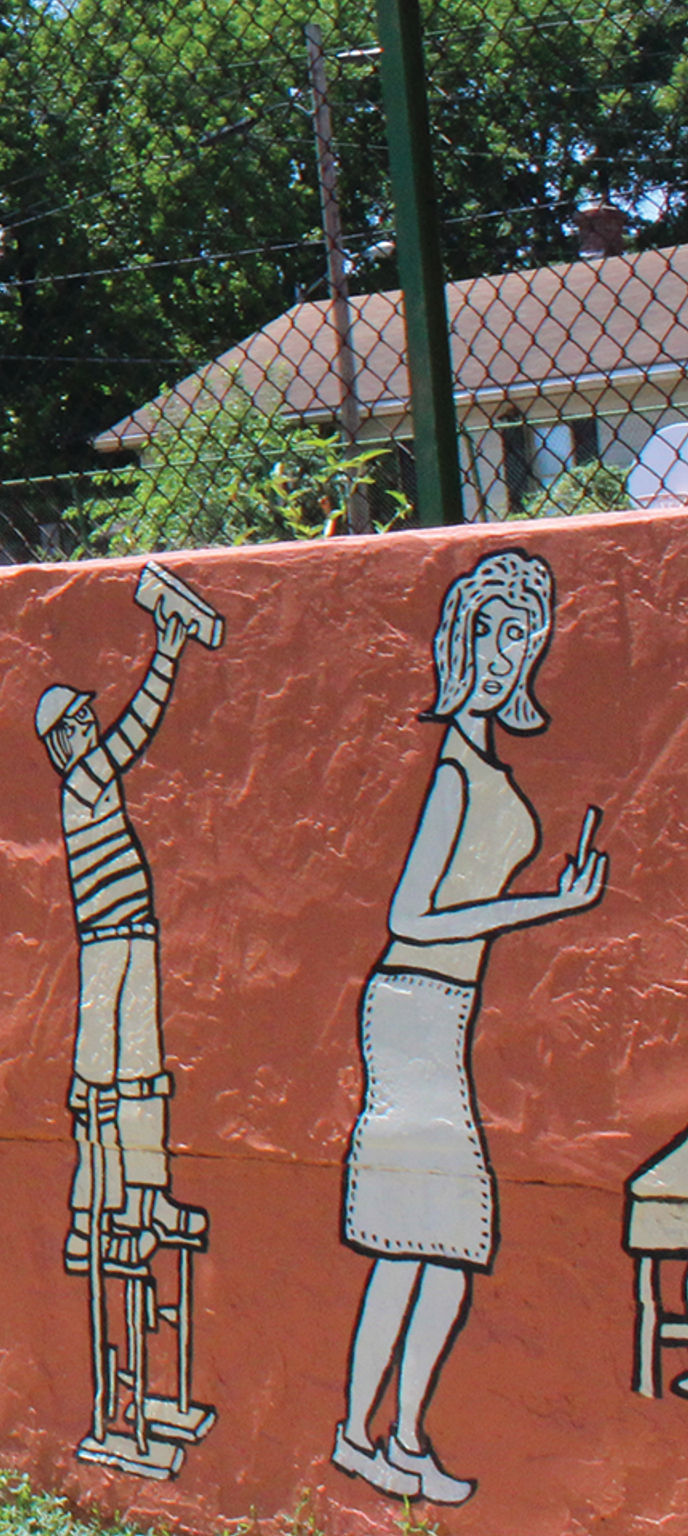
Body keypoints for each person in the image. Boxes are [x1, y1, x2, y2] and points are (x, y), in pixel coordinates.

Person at [332, 548, 604, 1510]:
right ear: (459, 638)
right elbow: (413, 915)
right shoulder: (454, 766)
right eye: (490, 630)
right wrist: (541, 908)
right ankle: (359, 1435)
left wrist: (542, 903)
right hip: (411, 1005)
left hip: (438, 1011)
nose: (505, 652)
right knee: (420, 1234)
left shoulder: (483, 757)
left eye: (522, 636)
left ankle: (400, 1437)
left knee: (443, 1241)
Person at [35, 605, 208, 1276]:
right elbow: (135, 731)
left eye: (86, 718)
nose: (89, 727)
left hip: (132, 936)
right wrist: (166, 654)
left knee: (140, 1078)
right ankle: (93, 1218)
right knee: (104, 1085)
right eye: (77, 724)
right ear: (62, 742)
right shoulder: (83, 780)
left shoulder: (87, 778)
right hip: (110, 943)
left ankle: (146, 1198)